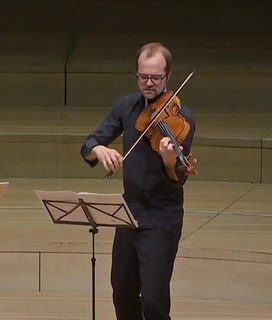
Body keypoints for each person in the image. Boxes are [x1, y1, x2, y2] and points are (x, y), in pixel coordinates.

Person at [80, 42, 195, 320]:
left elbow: (178, 177)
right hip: (128, 215)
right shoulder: (126, 106)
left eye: (156, 77)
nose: (149, 83)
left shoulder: (181, 118)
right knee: (122, 294)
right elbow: (88, 143)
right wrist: (100, 149)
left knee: (154, 301)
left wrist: (169, 160)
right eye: (143, 76)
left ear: (168, 76)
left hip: (162, 218)